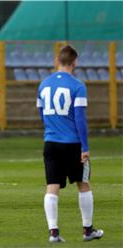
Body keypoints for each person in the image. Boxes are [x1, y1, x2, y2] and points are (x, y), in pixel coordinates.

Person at [36, 45, 104, 242]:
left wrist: (51, 129)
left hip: (51, 142)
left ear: (57, 61)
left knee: (52, 186)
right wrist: (86, 146)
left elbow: (42, 114)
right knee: (83, 184)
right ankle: (87, 229)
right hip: (73, 143)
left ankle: (53, 232)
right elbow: (80, 119)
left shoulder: (43, 85)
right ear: (75, 62)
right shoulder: (77, 86)